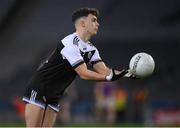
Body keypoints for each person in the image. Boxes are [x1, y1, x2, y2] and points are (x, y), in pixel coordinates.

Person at [22, 7, 133, 127]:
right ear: (83, 23)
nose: (97, 23)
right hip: (40, 88)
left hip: (54, 94)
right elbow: (83, 73)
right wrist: (108, 78)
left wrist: (127, 73)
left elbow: (104, 70)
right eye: (94, 20)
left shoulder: (91, 49)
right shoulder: (70, 43)